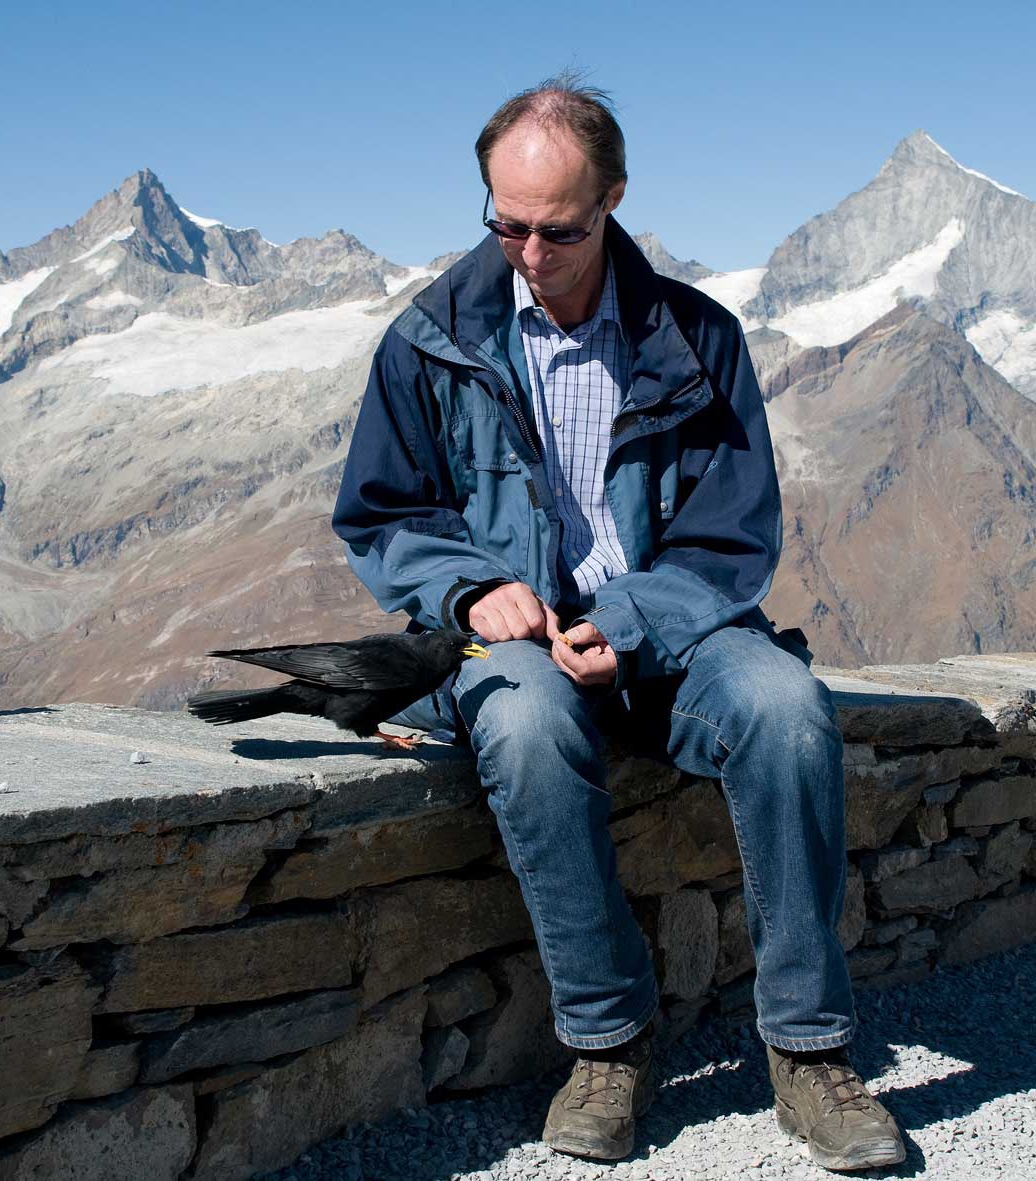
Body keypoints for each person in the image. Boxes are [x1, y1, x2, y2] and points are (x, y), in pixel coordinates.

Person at [330, 72, 906, 1171]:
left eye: (557, 229)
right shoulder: (426, 341)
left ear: (613, 200)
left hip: (671, 637)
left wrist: (629, 624)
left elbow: (733, 534)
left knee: (786, 707)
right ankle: (607, 1044)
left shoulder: (698, 337)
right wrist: (470, 588)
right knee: (522, 721)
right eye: (506, 225)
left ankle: (809, 1049)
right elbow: (383, 514)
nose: (529, 254)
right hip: (515, 643)